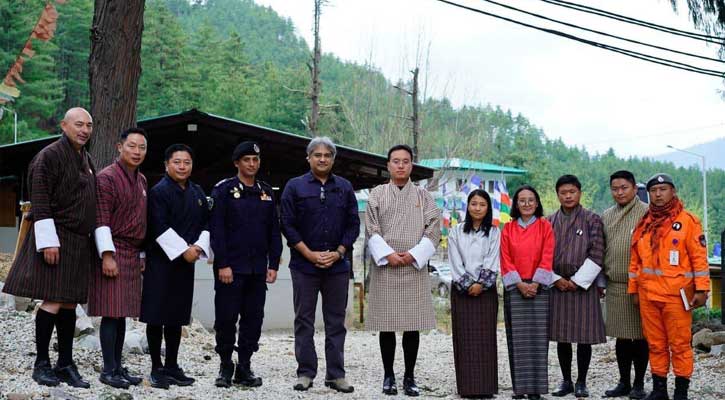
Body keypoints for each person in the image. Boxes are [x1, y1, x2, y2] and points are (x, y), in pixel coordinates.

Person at [2, 108, 96, 388]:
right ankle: (41, 362)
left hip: (79, 240)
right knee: (53, 300)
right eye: (79, 124)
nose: (84, 130)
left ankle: (65, 362)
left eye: (89, 125)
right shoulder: (50, 156)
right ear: (63, 125)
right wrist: (48, 242)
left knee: (69, 300)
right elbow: (40, 199)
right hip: (56, 237)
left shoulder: (86, 158)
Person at [280, 137, 360, 393]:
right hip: (304, 266)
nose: (322, 159)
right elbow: (287, 225)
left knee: (336, 321)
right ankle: (305, 372)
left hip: (337, 266)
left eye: (327, 155)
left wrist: (338, 252)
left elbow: (353, 225)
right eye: (317, 155)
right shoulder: (294, 187)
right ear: (308, 158)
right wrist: (309, 254)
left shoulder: (345, 188)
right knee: (304, 319)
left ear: (333, 159)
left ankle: (336, 375)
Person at [365, 144, 441, 397]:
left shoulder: (423, 196)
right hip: (386, 266)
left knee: (412, 325)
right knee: (386, 325)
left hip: (413, 267)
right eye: (395, 161)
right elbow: (371, 229)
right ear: (388, 165)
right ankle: (388, 375)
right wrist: (387, 253)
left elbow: (433, 229)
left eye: (405, 161)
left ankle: (409, 376)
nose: (400, 165)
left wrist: (413, 254)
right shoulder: (376, 194)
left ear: (411, 166)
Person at [628, 173, 710, 400]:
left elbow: (699, 259)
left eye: (663, 189)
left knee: (680, 345)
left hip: (676, 296)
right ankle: (659, 389)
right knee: (655, 345)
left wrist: (702, 290)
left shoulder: (688, 222)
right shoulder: (644, 224)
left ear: (673, 191)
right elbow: (635, 262)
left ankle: (681, 392)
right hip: (648, 296)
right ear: (649, 194)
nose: (658, 194)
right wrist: (633, 289)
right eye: (654, 190)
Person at [210, 141, 282, 388]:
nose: (252, 164)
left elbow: (274, 230)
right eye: (247, 160)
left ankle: (244, 366)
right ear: (237, 163)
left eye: (255, 160)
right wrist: (223, 264)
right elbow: (217, 231)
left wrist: (274, 263)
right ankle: (225, 365)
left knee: (253, 318)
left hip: (257, 269)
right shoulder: (224, 190)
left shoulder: (266, 191)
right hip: (231, 269)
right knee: (226, 318)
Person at [140, 144, 210, 389]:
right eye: (177, 162)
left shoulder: (198, 192)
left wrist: (198, 248)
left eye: (187, 162)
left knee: (177, 316)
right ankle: (156, 368)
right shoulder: (158, 192)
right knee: (157, 315)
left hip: (186, 263)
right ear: (167, 165)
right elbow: (158, 226)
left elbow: (207, 224)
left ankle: (172, 364)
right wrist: (184, 250)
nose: (182, 166)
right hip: (161, 261)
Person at [89, 127, 148, 389]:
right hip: (113, 248)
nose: (137, 152)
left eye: (142, 147)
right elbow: (100, 217)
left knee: (122, 312)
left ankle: (118, 365)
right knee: (111, 311)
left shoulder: (142, 180)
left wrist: (142, 252)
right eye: (132, 146)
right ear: (119, 147)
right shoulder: (107, 178)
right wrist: (107, 255)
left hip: (133, 251)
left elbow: (144, 220)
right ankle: (108, 369)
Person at [548, 175, 606, 398]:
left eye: (572, 191)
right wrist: (555, 279)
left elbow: (598, 252)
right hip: (557, 284)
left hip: (583, 285)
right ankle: (566, 380)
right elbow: (542, 256)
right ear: (558, 195)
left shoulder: (592, 219)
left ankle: (582, 381)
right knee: (562, 336)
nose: (568, 196)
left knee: (584, 336)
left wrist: (577, 281)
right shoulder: (549, 221)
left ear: (579, 193)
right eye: (563, 192)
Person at [500, 185, 555, 400]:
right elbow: (505, 258)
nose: (526, 204)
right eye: (522, 200)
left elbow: (548, 255)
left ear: (537, 202)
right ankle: (520, 388)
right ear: (516, 204)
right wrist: (520, 284)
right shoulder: (508, 228)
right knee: (517, 340)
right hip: (516, 289)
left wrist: (536, 283)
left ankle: (536, 389)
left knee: (538, 340)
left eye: (531, 200)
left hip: (539, 290)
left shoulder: (545, 226)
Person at [448, 189, 500, 399]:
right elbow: (454, 261)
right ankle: (467, 388)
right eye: (474, 204)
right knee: (464, 338)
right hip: (462, 291)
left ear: (488, 208)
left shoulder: (494, 232)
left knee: (485, 339)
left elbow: (492, 259)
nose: (477, 208)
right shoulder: (456, 231)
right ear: (467, 206)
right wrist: (468, 283)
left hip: (486, 291)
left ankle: (486, 387)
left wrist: (481, 284)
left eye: (482, 204)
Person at [602, 170, 649, 399]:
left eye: (624, 188)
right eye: (615, 189)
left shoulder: (647, 213)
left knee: (640, 336)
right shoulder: (607, 215)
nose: (619, 192)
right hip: (616, 284)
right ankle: (624, 382)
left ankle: (639, 383)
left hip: (641, 286)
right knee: (621, 336)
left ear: (634, 188)